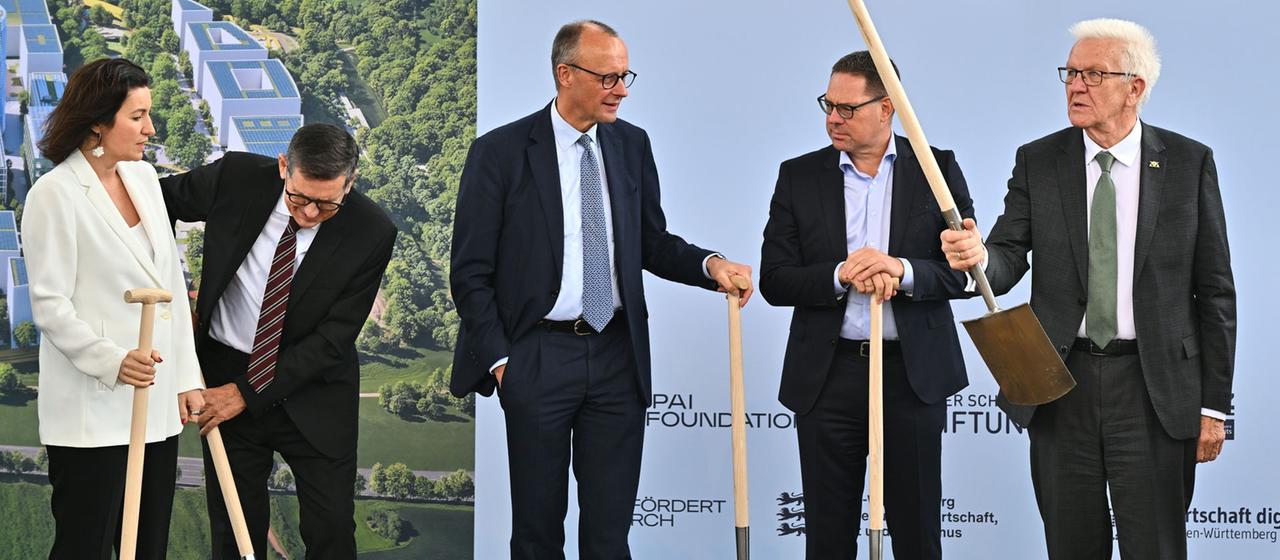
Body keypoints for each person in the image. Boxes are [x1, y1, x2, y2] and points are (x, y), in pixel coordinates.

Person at [449, 19, 753, 559]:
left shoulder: (632, 144)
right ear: (565, 74)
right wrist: (500, 360)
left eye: (625, 75)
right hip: (535, 355)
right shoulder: (499, 152)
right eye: (609, 77)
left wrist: (711, 265)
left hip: (617, 355)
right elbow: (470, 272)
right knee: (538, 534)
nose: (622, 89)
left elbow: (651, 243)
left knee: (610, 535)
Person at [940, 19, 1235, 559]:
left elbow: (1215, 291)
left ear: (1135, 87)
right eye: (1071, 73)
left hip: (1153, 388)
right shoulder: (1039, 159)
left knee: (1156, 547)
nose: (1076, 85)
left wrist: (1214, 406)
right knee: (1071, 546)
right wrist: (978, 256)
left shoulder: (1189, 163)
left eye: (1094, 74)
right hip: (1061, 384)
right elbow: (1007, 257)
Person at [759, 51, 975, 560]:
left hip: (911, 376)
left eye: (847, 109)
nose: (833, 118)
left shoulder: (935, 168)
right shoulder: (799, 176)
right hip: (828, 376)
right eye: (828, 105)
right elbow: (775, 279)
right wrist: (840, 274)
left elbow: (964, 272)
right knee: (828, 538)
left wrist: (901, 270)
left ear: (888, 108)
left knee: (918, 533)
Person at [159, 124, 397, 559]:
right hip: (224, 376)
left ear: (351, 181)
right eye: (299, 198)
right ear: (284, 167)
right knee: (236, 534)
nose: (308, 214)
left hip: (314, 396)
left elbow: (332, 340)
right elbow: (152, 200)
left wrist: (246, 394)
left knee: (331, 535)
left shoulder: (373, 231)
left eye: (326, 205)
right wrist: (167, 294)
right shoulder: (235, 177)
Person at [22, 58, 204, 559]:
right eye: (138, 116)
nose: (150, 129)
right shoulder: (53, 195)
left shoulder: (144, 179)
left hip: (157, 408)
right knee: (87, 546)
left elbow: (170, 283)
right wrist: (112, 360)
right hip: (91, 413)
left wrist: (187, 378)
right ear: (98, 121)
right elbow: (50, 305)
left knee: (148, 546)